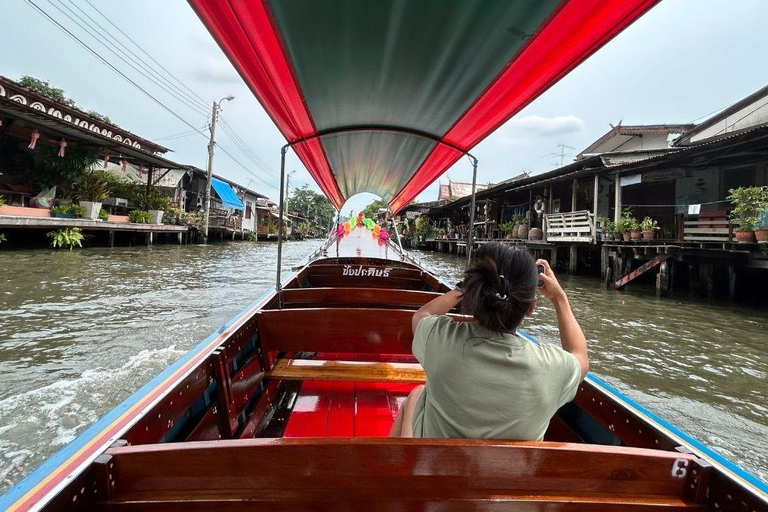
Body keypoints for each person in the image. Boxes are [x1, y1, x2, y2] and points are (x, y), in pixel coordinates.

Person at [389, 242, 588, 439]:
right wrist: (559, 298)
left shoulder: (440, 339)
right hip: (506, 471)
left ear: (473, 294)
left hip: (437, 468)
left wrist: (465, 288)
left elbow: (422, 315)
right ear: (530, 308)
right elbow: (580, 357)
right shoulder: (552, 368)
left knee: (417, 393)